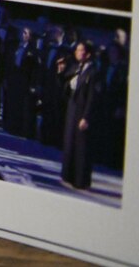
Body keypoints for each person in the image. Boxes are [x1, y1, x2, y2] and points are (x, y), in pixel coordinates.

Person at [60, 41, 97, 190]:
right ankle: (69, 176)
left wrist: (86, 116)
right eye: (77, 50)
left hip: (82, 112)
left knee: (81, 147)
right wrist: (61, 72)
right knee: (70, 143)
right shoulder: (77, 68)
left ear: (87, 53)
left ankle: (81, 180)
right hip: (72, 109)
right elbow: (66, 89)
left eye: (80, 50)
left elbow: (93, 96)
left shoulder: (93, 71)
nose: (77, 52)